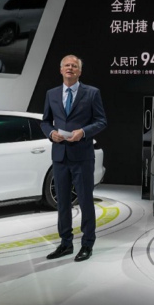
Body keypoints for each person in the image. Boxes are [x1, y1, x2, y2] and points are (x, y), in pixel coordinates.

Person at [41, 55, 107, 262]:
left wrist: (84, 132)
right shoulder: (51, 94)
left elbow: (101, 121)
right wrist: (51, 133)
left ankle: (87, 244)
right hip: (60, 156)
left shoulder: (92, 93)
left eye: (74, 65)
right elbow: (45, 121)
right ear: (61, 70)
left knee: (85, 201)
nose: (70, 68)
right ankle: (65, 243)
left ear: (79, 71)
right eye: (67, 65)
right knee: (62, 203)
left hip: (82, 156)